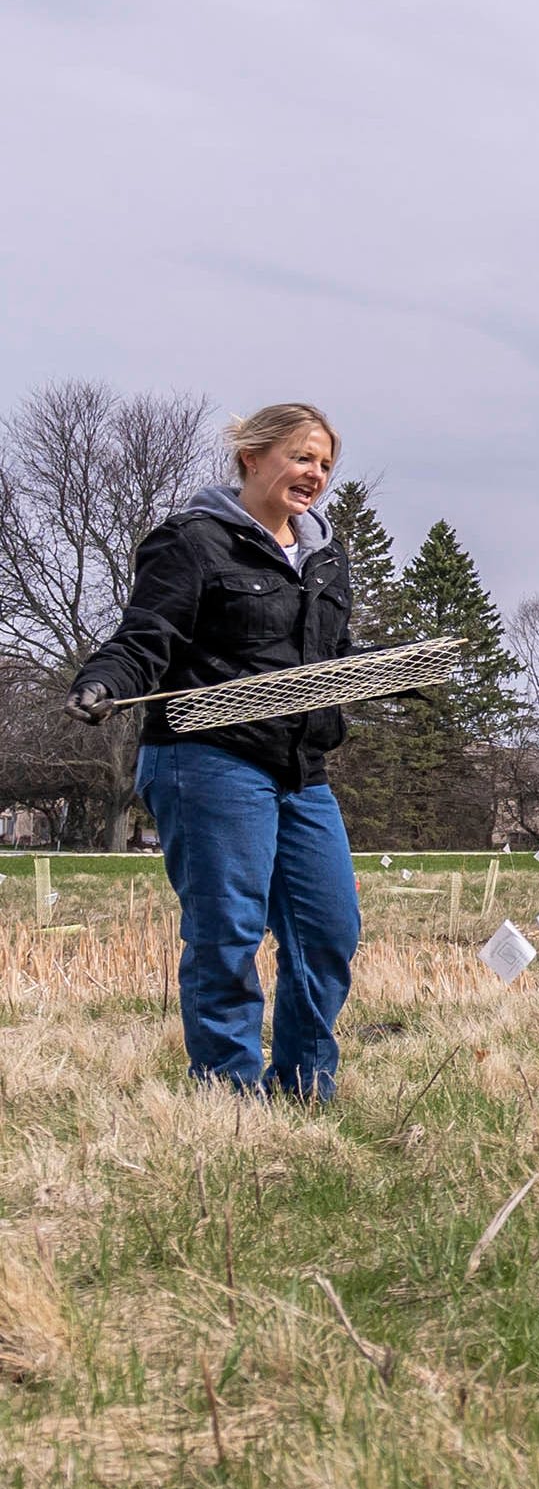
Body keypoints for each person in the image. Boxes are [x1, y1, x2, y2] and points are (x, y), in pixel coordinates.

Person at [68, 403, 366, 1099]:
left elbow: (333, 655)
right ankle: (228, 1097)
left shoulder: (325, 558)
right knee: (226, 934)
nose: (314, 474)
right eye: (301, 457)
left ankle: (301, 1087)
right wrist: (103, 681)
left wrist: (386, 671)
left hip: (302, 769)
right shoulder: (194, 542)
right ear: (251, 459)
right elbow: (146, 637)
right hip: (209, 758)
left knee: (329, 931)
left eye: (324, 463)